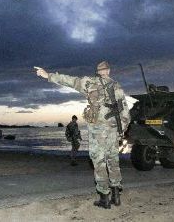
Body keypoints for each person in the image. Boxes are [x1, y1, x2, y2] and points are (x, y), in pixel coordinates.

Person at [34, 61, 130, 209]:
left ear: (98, 72)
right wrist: (121, 130)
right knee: (113, 161)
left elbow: (70, 81)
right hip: (113, 130)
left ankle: (104, 198)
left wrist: (48, 75)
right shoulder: (117, 87)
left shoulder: (89, 82)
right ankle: (116, 195)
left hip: (98, 131)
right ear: (109, 71)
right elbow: (125, 114)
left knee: (99, 163)